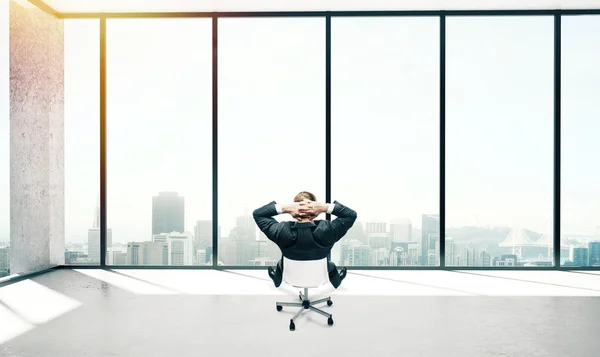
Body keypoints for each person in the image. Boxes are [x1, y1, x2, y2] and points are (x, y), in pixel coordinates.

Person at [252, 191, 357, 289]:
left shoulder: (281, 231)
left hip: (290, 278)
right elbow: (351, 215)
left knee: (282, 262)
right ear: (315, 210)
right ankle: (337, 281)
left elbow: (258, 214)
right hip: (319, 278)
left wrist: (285, 208)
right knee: (331, 265)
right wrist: (324, 207)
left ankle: (277, 279)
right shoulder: (328, 230)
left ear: (293, 210)